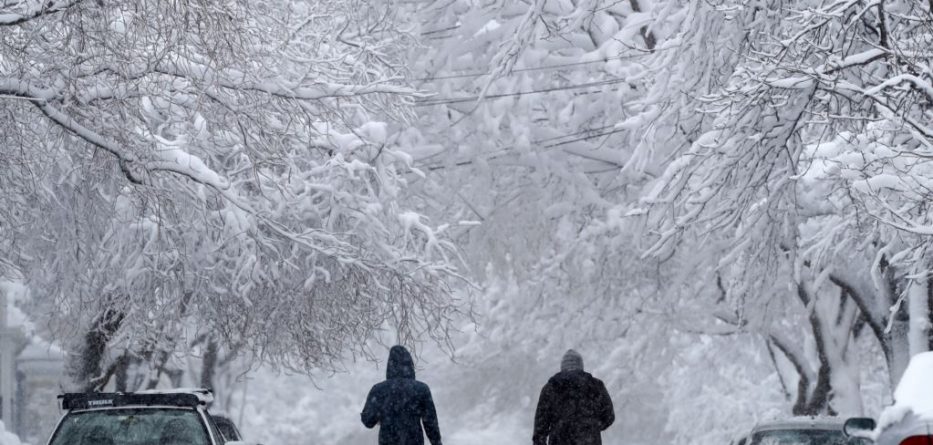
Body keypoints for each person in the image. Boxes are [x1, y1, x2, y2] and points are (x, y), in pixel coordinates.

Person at [361, 345, 442, 445]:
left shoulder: (379, 390)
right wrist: (437, 442)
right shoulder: (422, 389)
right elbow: (430, 422)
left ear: (389, 366)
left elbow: (368, 421)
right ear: (410, 365)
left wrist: (381, 413)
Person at [533, 349, 615, 445]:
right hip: (589, 440)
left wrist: (540, 441)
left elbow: (541, 422)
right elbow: (609, 416)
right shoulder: (595, 385)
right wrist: (593, 427)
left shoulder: (551, 387)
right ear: (581, 365)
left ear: (562, 367)